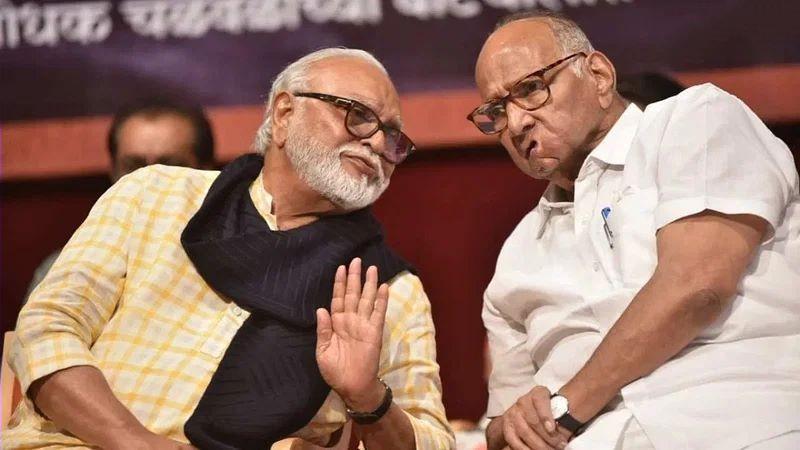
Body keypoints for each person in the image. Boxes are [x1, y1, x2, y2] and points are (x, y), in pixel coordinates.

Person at [5, 48, 454, 449]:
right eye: (358, 115)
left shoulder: (387, 289)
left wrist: (368, 397)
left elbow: (435, 441)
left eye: (392, 136)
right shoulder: (154, 196)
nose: (376, 143)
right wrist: (137, 443)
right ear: (284, 114)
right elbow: (46, 329)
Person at [469, 10, 800, 450]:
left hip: (736, 425)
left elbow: (697, 287)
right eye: (495, 111)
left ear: (599, 75)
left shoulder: (694, 120)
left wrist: (565, 409)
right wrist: (516, 424)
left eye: (531, 89)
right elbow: (499, 424)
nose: (515, 123)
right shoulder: (516, 255)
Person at [23, 99, 216, 303]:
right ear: (113, 172)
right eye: (133, 166)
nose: (147, 181)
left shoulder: (227, 263)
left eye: (169, 166)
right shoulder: (64, 268)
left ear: (206, 172)